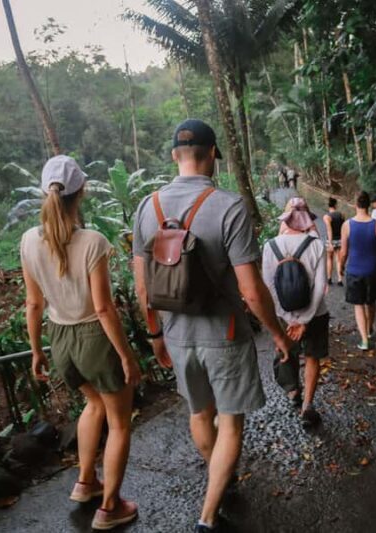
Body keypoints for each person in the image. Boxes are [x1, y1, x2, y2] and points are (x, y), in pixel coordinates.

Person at [131, 119, 293, 533]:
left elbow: (142, 286)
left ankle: (221, 479)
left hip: (175, 334)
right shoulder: (229, 206)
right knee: (231, 421)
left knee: (199, 412)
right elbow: (251, 291)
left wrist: (155, 335)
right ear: (214, 155)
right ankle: (207, 516)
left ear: (174, 156)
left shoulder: (147, 207)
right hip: (226, 335)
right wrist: (277, 333)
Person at [22, 155, 140, 531]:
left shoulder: (28, 240)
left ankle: (86, 482)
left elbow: (33, 303)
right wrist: (127, 356)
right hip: (94, 337)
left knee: (93, 404)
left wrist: (37, 351)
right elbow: (103, 308)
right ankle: (110, 507)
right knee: (119, 424)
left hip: (59, 338)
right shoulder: (93, 242)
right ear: (82, 191)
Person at [262, 197, 329, 427]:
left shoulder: (270, 246)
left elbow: (269, 287)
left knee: (286, 351)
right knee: (312, 357)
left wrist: (290, 318)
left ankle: (292, 391)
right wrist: (305, 320)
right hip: (316, 314)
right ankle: (307, 406)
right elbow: (320, 286)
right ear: (307, 217)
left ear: (285, 217)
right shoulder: (316, 244)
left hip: (283, 316)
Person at [339, 191, 376, 351]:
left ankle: (364, 340)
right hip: (373, 271)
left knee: (358, 305)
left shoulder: (347, 225)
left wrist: (340, 266)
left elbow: (343, 252)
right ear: (369, 204)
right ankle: (369, 329)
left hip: (354, 271)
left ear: (355, 204)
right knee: (371, 302)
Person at [323, 197, 345, 286]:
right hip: (340, 239)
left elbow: (329, 230)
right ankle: (340, 279)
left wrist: (330, 243)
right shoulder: (342, 215)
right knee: (338, 260)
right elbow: (343, 228)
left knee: (329, 258)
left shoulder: (327, 217)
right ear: (336, 205)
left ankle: (329, 278)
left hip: (331, 239)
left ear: (328, 205)